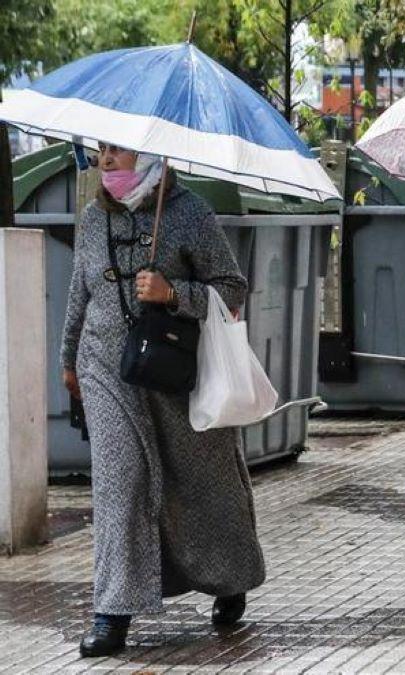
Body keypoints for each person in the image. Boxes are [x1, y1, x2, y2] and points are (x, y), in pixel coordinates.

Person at [63, 144, 265, 657]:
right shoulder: (91, 220)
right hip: (107, 371)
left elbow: (233, 290)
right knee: (121, 484)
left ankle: (228, 576)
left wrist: (173, 292)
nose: (105, 160)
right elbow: (78, 297)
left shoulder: (190, 213)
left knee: (201, 480)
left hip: (175, 370)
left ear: (151, 156)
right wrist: (68, 362)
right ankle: (111, 613)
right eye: (100, 151)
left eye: (117, 151)